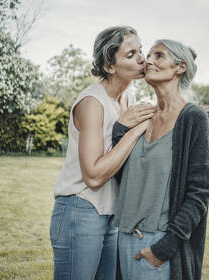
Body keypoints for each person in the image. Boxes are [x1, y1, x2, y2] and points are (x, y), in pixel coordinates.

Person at [50, 26, 156, 280]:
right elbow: (94, 177)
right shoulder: (92, 103)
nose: (142, 58)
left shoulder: (128, 98)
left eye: (141, 50)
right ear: (110, 66)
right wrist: (132, 129)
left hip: (110, 214)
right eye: (131, 54)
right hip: (80, 208)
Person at [112, 39, 209, 280]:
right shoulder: (143, 115)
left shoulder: (193, 118)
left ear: (180, 67)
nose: (148, 61)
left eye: (158, 56)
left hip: (158, 244)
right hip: (124, 239)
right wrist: (120, 129)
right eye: (148, 55)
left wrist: (165, 247)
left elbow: (200, 191)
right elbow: (120, 173)